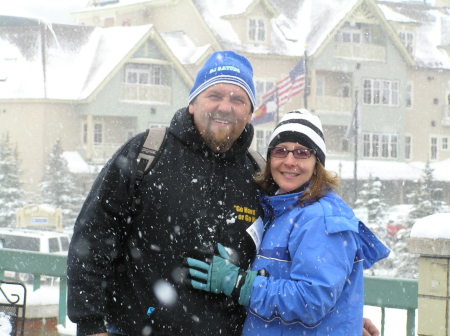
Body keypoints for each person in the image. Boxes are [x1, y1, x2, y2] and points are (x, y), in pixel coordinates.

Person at [68, 49, 381, 336]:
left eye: (237, 99)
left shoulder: (258, 175)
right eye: (215, 95)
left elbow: (298, 260)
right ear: (193, 102)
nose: (225, 106)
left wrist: (343, 317)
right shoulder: (148, 153)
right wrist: (90, 323)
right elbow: (92, 238)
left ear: (249, 113)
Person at [185, 109, 390, 335]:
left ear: (316, 163)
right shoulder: (283, 211)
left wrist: (240, 283)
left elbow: (311, 301)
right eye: (281, 151)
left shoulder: (321, 218)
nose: (289, 161)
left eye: (302, 153)